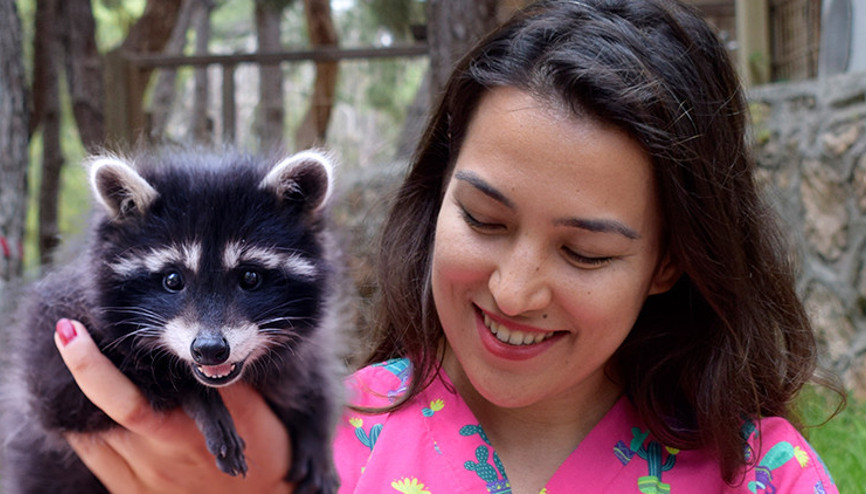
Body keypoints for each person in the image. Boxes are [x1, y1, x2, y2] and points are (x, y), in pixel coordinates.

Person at [52, 0, 840, 492]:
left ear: (670, 260)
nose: (515, 292)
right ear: (437, 202)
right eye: (485, 221)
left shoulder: (767, 476)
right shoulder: (319, 440)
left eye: (586, 254)